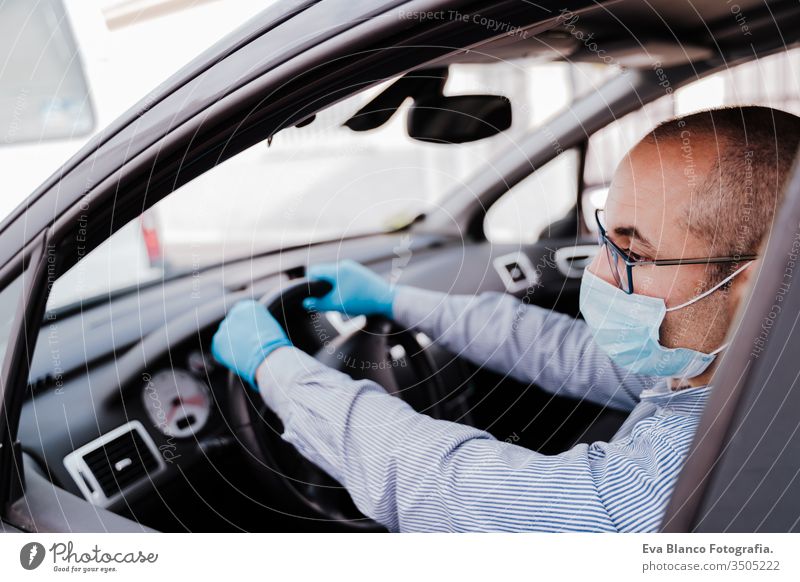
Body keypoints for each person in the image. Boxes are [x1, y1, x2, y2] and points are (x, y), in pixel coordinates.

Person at [211, 106, 800, 532]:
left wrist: (277, 370)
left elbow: (444, 484)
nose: (596, 274)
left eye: (634, 252)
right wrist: (397, 300)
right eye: (604, 235)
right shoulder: (739, 373)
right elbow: (558, 350)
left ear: (754, 286)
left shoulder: (655, 496)